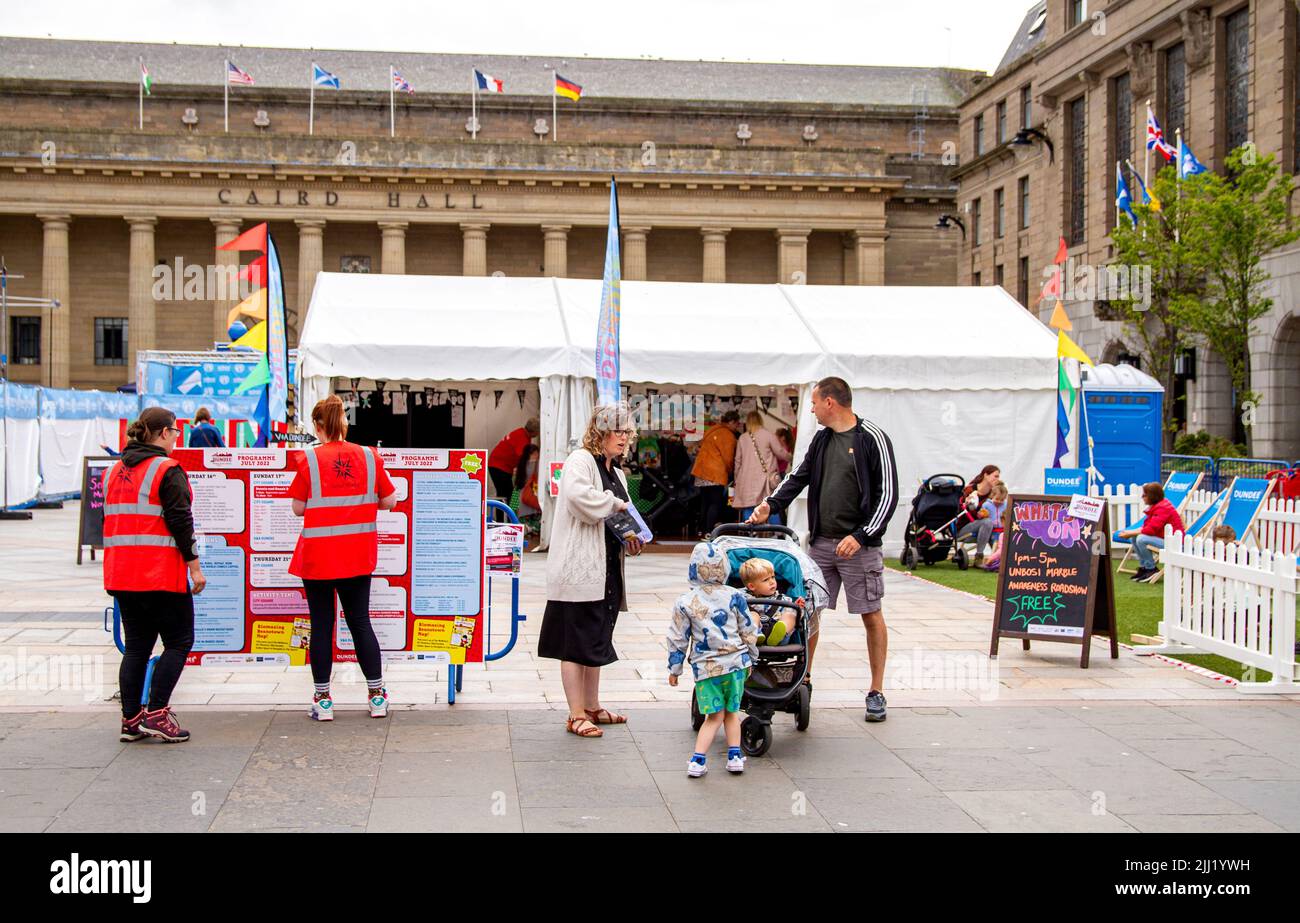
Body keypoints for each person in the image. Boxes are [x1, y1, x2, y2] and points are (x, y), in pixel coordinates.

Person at [747, 376, 898, 723]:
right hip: (822, 543)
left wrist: (862, 536)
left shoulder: (871, 438)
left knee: (870, 614)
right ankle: (805, 678)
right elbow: (799, 476)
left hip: (858, 546)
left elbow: (888, 495)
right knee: (808, 611)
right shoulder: (821, 439)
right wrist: (771, 504)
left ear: (831, 402)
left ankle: (876, 691)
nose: (811, 408)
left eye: (814, 402)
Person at [288, 394, 399, 721]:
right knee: (360, 622)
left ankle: (323, 701)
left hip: (318, 557)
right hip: (356, 556)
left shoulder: (308, 460)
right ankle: (377, 696)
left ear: (319, 426)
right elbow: (390, 500)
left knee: (321, 625)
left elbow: (297, 508)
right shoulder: (368, 456)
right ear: (344, 423)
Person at [538, 403, 643, 738]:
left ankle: (593, 706)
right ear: (601, 431)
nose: (625, 438)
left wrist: (631, 535)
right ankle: (575, 713)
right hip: (578, 569)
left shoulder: (618, 471)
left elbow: (619, 514)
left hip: (606, 568)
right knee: (575, 641)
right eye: (620, 431)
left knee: (596, 638)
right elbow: (578, 499)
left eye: (629, 432)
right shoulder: (580, 460)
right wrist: (614, 503)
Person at [105, 406, 205, 744]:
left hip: (121, 574)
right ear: (163, 433)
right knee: (179, 641)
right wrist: (194, 566)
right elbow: (180, 521)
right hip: (159, 574)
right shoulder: (166, 469)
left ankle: (130, 720)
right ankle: (157, 713)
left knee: (137, 648)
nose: (177, 437)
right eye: (176, 432)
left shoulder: (114, 471)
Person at [667, 542, 759, 777]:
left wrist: (674, 669)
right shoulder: (735, 595)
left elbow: (678, 638)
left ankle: (698, 760)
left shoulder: (685, 602)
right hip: (736, 664)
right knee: (732, 713)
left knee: (713, 716)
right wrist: (752, 655)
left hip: (707, 669)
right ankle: (735, 756)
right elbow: (747, 629)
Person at [733, 411, 792, 525]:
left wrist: (737, 478)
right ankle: (777, 532)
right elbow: (780, 452)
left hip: (746, 479)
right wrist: (793, 458)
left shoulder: (742, 438)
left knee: (748, 505)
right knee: (769, 505)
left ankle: (751, 532)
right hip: (764, 478)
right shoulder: (769, 435)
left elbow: (737, 461)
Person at [1117, 481, 1184, 581]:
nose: (1142, 497)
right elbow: (1146, 527)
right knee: (1135, 537)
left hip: (1174, 544)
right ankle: (1144, 568)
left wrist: (1129, 533)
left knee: (1141, 539)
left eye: (1144, 495)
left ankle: (1151, 568)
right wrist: (1129, 533)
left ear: (1152, 496)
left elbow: (1150, 530)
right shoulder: (1158, 507)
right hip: (1164, 539)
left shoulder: (1163, 508)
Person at [691, 409, 743, 536]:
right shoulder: (727, 435)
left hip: (701, 471)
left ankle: (701, 530)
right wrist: (732, 472)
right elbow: (728, 458)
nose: (737, 427)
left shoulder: (712, 430)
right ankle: (709, 531)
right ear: (731, 422)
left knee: (705, 502)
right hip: (715, 473)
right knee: (715, 503)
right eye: (736, 424)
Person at [739, 557, 797, 646]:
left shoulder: (783, 599)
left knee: (790, 615)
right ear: (751, 586)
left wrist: (798, 607)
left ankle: (779, 635)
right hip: (751, 637)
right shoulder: (740, 596)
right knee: (753, 615)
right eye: (766, 580)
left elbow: (795, 616)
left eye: (773, 577)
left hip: (777, 631)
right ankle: (755, 634)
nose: (772, 582)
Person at [956, 464, 1001, 566]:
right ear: (986, 475)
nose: (997, 479)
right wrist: (967, 503)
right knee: (987, 522)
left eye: (998, 477)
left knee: (996, 528)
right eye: (996, 476)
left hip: (984, 531)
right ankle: (979, 557)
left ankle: (996, 560)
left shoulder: (993, 494)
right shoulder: (969, 490)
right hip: (963, 529)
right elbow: (958, 510)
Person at [488, 417, 539, 499]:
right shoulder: (522, 439)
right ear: (534, 432)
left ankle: (505, 510)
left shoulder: (521, 433)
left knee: (507, 495)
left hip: (500, 466)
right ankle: (503, 511)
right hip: (499, 467)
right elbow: (523, 458)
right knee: (505, 495)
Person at [514, 443, 542, 544]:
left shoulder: (520, 465)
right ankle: (530, 531)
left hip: (522, 498)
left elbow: (516, 485)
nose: (536, 455)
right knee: (537, 522)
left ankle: (526, 531)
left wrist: (514, 503)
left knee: (523, 522)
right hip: (532, 496)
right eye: (535, 453)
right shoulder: (536, 465)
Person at [980, 481, 1009, 571]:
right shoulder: (987, 505)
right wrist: (982, 514)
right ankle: (994, 561)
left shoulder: (1006, 505)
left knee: (1000, 546)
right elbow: (982, 516)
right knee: (996, 544)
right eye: (997, 499)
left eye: (1002, 500)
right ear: (992, 496)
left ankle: (996, 562)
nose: (999, 502)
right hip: (992, 529)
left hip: (1002, 529)